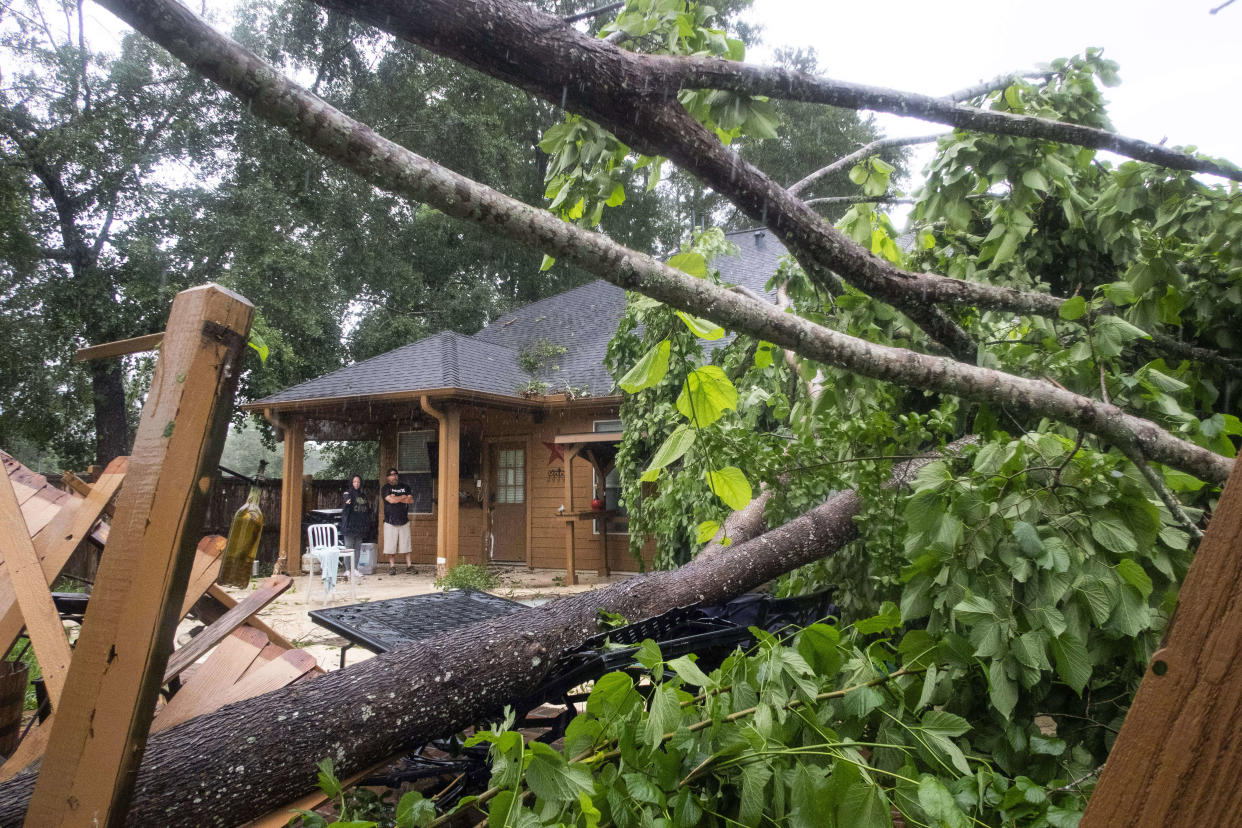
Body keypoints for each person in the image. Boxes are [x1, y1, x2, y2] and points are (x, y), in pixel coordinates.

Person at [380, 467, 414, 575]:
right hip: (390, 521)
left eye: (395, 474)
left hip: (404, 520)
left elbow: (410, 500)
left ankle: (409, 566)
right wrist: (402, 497)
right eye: (391, 474)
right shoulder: (385, 488)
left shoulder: (405, 487)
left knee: (406, 545)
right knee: (391, 546)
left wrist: (396, 498)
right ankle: (392, 567)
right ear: (387, 477)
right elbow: (390, 500)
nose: (394, 476)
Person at [339, 474, 372, 578]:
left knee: (357, 548)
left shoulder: (363, 495)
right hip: (349, 524)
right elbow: (346, 505)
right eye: (354, 482)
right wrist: (347, 501)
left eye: (358, 482)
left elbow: (366, 510)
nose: (356, 484)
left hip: (360, 525)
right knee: (348, 547)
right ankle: (348, 569)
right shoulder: (347, 493)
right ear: (351, 483)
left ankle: (355, 569)